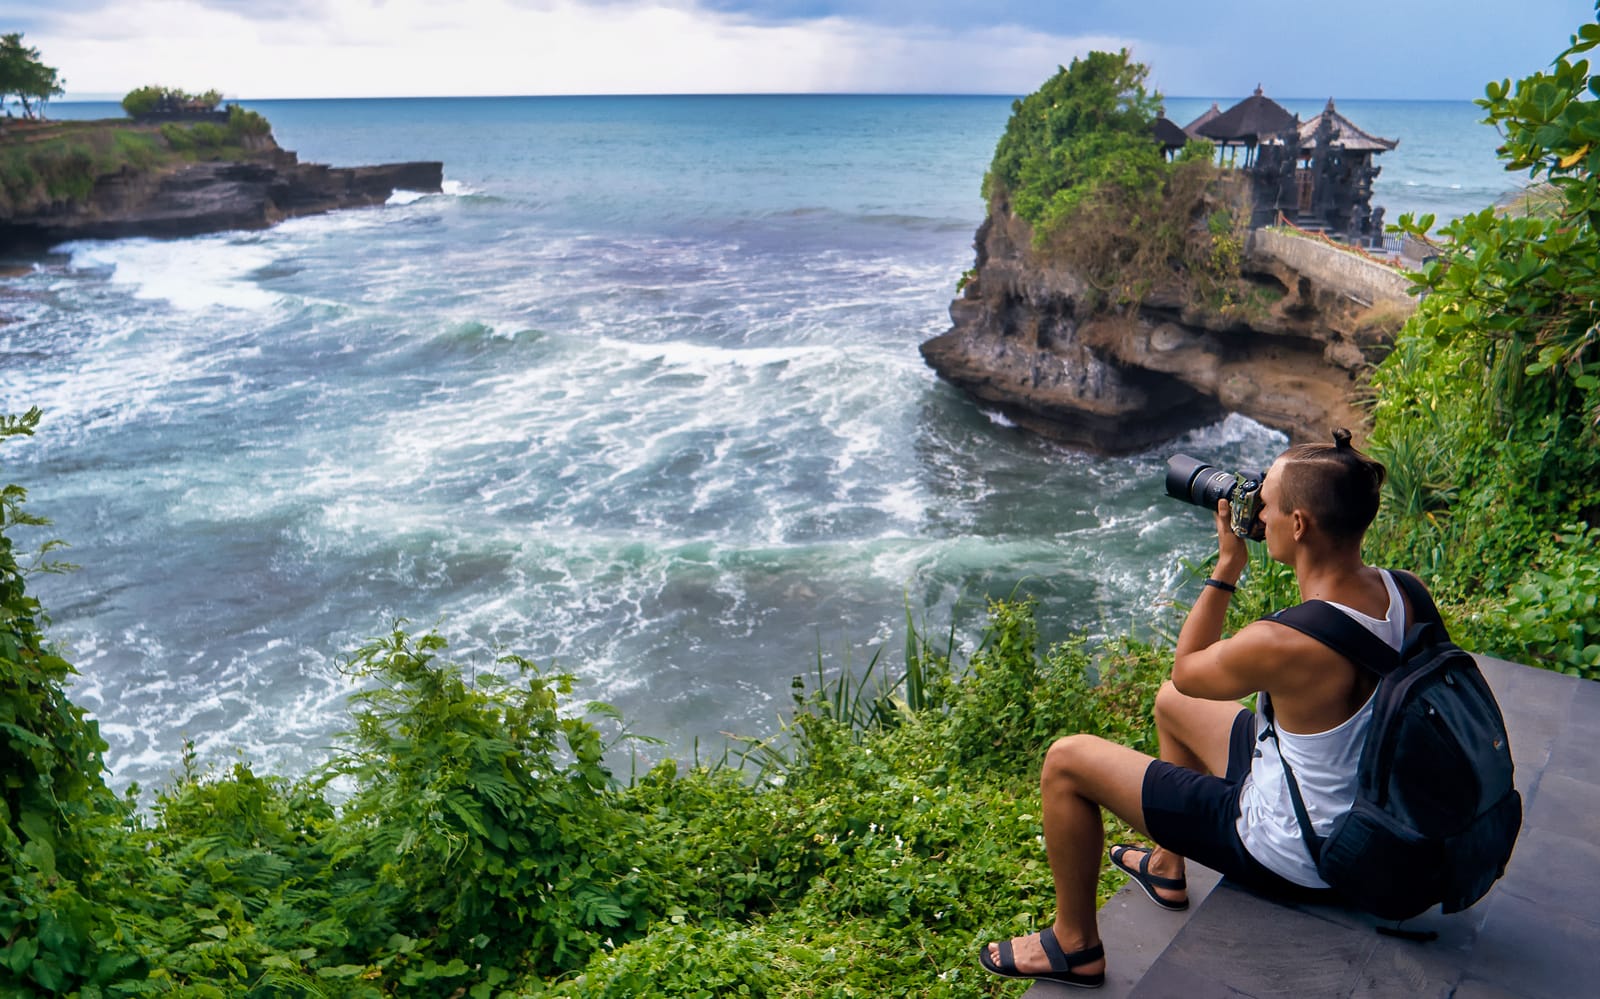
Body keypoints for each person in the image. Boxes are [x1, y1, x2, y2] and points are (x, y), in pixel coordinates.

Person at [980, 428, 1413, 988]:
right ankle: (1166, 866)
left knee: (1066, 762)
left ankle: (1074, 944)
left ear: (1299, 525)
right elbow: (1180, 696)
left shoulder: (1288, 643)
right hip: (1358, 810)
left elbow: (1189, 671)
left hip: (1293, 848)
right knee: (1167, 706)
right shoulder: (1404, 590)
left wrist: (1228, 563)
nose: (1258, 510)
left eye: (1267, 503)